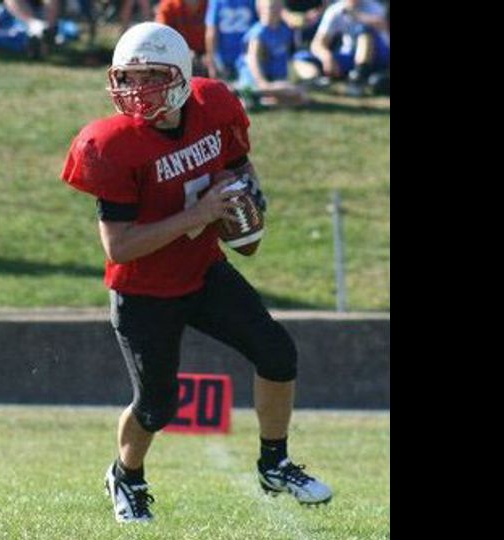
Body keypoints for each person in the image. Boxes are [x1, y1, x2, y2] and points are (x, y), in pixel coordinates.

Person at [60, 22, 332, 523]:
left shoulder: (214, 105)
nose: (138, 91)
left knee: (277, 352)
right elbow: (119, 246)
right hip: (142, 290)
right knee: (157, 406)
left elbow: (239, 163)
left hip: (203, 269)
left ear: (183, 75)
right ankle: (126, 476)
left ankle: (275, 463)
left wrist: (246, 196)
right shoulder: (111, 143)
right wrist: (202, 213)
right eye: (129, 78)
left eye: (152, 77)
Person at [293, 0, 389, 96]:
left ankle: (359, 77)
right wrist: (327, 57)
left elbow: (383, 25)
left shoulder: (374, 7)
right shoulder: (336, 10)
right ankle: (315, 81)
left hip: (378, 57)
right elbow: (318, 43)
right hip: (350, 56)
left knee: (363, 30)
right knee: (301, 58)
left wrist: (357, 15)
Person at [235, 0, 309, 108]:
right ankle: (251, 95)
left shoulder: (283, 30)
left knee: (301, 97)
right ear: (260, 10)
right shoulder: (259, 32)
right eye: (270, 8)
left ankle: (259, 102)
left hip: (275, 79)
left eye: (278, 7)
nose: (274, 11)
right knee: (298, 94)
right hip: (257, 81)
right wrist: (262, 83)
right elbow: (252, 59)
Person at [203, 0, 259, 81]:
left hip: (247, 58)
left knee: (246, 89)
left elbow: (258, 29)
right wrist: (211, 62)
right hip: (223, 60)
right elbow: (211, 32)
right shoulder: (216, 2)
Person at [156, 0, 211, 75]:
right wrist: (183, 52)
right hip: (179, 55)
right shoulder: (168, 5)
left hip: (208, 55)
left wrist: (211, 55)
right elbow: (161, 35)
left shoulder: (211, 4)